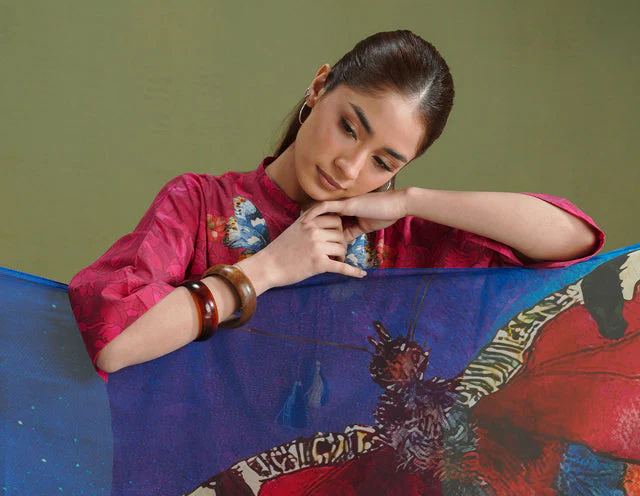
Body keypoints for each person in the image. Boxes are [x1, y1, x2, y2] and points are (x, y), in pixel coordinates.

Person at [68, 29, 603, 378]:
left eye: (383, 163)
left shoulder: (397, 241)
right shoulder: (198, 204)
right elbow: (115, 342)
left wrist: (410, 201)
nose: (350, 168)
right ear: (319, 86)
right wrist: (266, 269)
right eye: (349, 127)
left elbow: (575, 238)